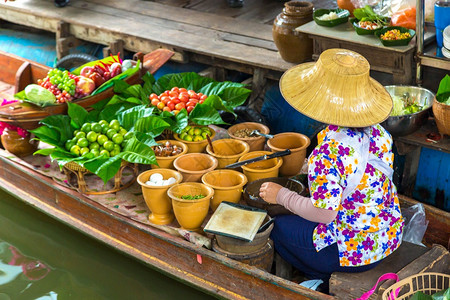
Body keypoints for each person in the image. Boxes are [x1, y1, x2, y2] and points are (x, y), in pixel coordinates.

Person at [259, 48, 404, 289]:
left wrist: (281, 196)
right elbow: (357, 170)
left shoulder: (326, 154)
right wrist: (311, 170)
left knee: (276, 226)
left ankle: (323, 280)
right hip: (388, 234)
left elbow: (324, 214)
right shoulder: (379, 132)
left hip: (357, 252)